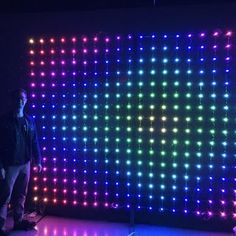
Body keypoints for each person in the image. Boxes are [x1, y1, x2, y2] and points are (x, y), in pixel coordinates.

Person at [0, 88, 42, 236]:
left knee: (21, 195)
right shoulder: (4, 121)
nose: (20, 101)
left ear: (26, 101)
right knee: (5, 195)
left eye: (22, 99)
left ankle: (18, 221)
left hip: (25, 163)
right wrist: (1, 166)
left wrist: (38, 161)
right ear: (13, 101)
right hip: (10, 164)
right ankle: (1, 225)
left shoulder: (29, 121)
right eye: (17, 99)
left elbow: (34, 141)